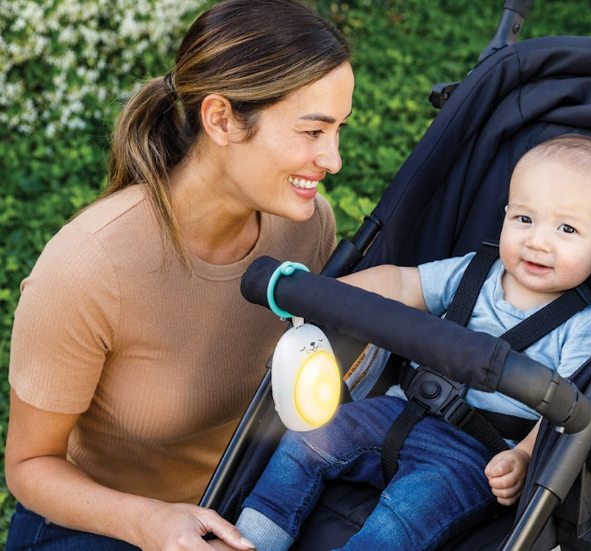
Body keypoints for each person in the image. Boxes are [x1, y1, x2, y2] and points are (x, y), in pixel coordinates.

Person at [4, 1, 353, 550]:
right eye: (312, 131)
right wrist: (153, 523)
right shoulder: (88, 268)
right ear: (220, 119)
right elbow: (29, 465)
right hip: (102, 524)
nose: (333, 159)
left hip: (245, 499)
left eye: (338, 130)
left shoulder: (307, 228)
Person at [214, 134, 591, 551]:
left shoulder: (586, 327)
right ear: (506, 215)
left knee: (402, 518)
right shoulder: (473, 273)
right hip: (398, 409)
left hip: (473, 455)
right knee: (305, 439)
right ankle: (249, 542)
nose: (538, 241)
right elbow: (402, 284)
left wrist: (524, 457)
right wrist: (327, 295)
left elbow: (565, 412)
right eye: (524, 219)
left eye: (567, 229)